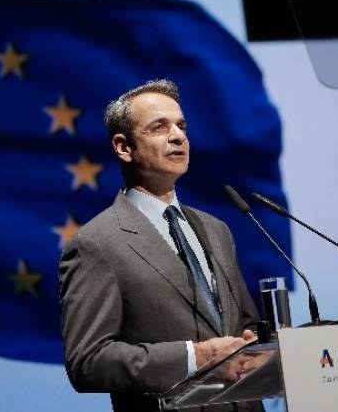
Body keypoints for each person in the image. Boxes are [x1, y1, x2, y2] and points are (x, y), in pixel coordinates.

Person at [59, 79, 264, 411]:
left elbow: (244, 323)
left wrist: (257, 346)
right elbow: (89, 361)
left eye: (182, 126)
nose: (178, 136)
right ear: (124, 147)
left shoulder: (216, 230)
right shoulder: (97, 243)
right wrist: (197, 356)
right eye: (159, 127)